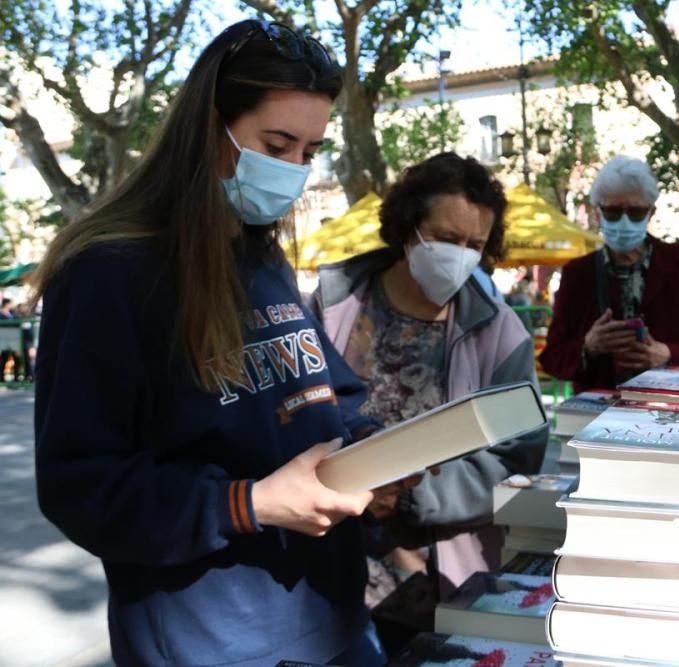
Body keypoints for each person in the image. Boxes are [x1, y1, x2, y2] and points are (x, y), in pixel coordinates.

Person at [32, 19, 406, 666]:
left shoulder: (261, 256)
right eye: (277, 143)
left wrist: (374, 451)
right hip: (213, 640)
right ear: (211, 128)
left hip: (332, 615)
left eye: (310, 151)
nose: (293, 171)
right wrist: (250, 502)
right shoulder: (110, 273)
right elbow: (79, 484)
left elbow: (325, 394)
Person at [311, 153, 547, 603]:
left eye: (474, 245)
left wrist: (411, 496)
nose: (459, 256)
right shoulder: (331, 307)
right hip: (330, 562)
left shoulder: (500, 333)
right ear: (408, 229)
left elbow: (518, 459)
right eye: (445, 238)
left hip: (445, 577)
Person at [539, 156, 679, 392]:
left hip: (670, 411)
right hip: (600, 413)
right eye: (612, 211)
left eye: (636, 211)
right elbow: (552, 358)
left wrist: (669, 353)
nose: (624, 220)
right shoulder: (577, 273)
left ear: (651, 213)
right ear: (597, 213)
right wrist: (587, 346)